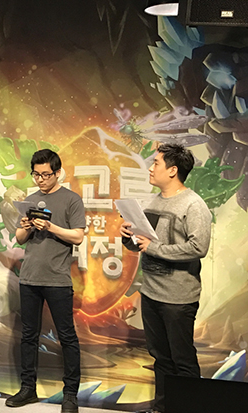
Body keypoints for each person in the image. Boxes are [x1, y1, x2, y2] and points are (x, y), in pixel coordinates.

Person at [120, 143, 212, 413]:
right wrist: (128, 238)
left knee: (182, 360)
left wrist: (154, 248)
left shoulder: (193, 204)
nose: (151, 168)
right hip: (151, 293)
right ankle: (162, 408)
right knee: (160, 358)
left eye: (156, 163)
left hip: (178, 298)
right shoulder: (152, 201)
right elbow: (142, 244)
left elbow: (199, 247)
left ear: (172, 170)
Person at [6, 149, 85, 413]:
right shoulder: (30, 200)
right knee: (28, 336)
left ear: (58, 172)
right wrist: (26, 225)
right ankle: (28, 388)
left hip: (58, 279)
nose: (40, 180)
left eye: (46, 175)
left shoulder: (71, 199)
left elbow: (78, 236)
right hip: (29, 277)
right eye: (36, 175)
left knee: (67, 337)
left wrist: (50, 227)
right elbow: (19, 238)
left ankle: (70, 394)